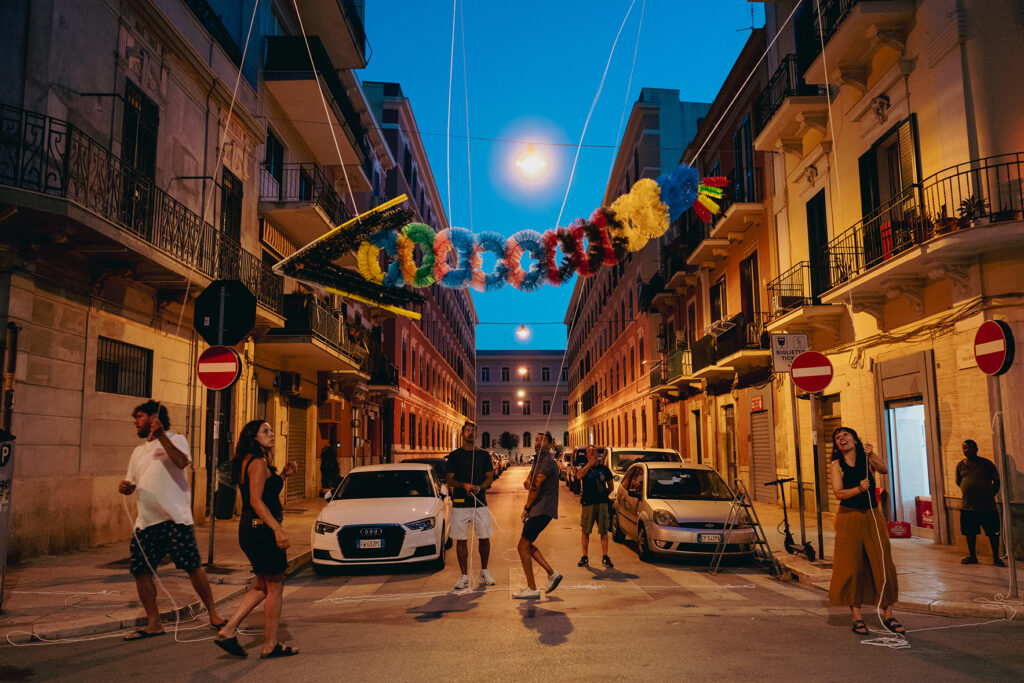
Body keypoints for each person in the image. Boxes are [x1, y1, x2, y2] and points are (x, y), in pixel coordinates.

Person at [118, 400, 225, 640]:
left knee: (192, 566)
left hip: (176, 519)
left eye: (141, 416)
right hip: (146, 522)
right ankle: (154, 622)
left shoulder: (176, 439)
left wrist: (161, 437)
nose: (136, 421)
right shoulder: (137, 452)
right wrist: (125, 487)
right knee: (141, 570)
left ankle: (214, 614)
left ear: (155, 418)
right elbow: (133, 481)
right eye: (135, 417)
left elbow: (182, 462)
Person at [214, 420, 299, 658]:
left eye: (271, 430)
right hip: (262, 531)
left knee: (263, 586)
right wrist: (277, 529)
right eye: (265, 431)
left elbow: (266, 492)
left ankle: (228, 630)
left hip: (250, 530)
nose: (271, 434)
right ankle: (270, 645)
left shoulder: (247, 461)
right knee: (275, 586)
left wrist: (282, 474)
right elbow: (256, 500)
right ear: (253, 438)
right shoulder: (259, 463)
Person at [828, 426, 903, 636]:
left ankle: (888, 613)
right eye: (837, 437)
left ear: (855, 440)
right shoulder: (836, 465)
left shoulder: (866, 458)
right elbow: (838, 493)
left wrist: (872, 453)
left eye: (845, 435)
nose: (841, 438)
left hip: (872, 516)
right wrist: (859, 489)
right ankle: (857, 617)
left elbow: (885, 469)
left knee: (882, 563)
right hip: (848, 518)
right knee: (851, 566)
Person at [445, 421, 495, 590]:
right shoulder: (454, 456)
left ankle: (485, 571)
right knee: (461, 540)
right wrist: (464, 485)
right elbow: (450, 479)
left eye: (473, 430)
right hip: (460, 504)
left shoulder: (483, 455)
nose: (471, 433)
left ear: (477, 434)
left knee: (484, 537)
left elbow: (490, 477)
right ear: (462, 433)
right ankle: (464, 576)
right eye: (468, 430)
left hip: (479, 502)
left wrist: (480, 487)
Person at [515, 432, 562, 599]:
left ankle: (532, 588)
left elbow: (534, 487)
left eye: (543, 440)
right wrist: (531, 485)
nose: (538, 441)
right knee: (526, 545)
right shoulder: (538, 460)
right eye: (536, 438)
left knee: (522, 546)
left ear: (550, 444)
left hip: (542, 509)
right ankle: (552, 574)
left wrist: (527, 507)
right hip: (538, 508)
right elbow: (527, 482)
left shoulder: (547, 462)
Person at [956, 439, 1005, 566]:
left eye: (970, 448)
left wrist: (989, 495)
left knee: (993, 533)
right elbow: (959, 481)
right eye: (965, 448)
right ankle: (973, 556)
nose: (967, 450)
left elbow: (997, 481)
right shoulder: (960, 465)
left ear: (976, 449)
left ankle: (996, 557)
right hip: (968, 507)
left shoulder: (987, 464)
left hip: (987, 507)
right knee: (970, 533)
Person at [575, 445, 614, 568]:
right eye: (589, 452)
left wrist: (603, 496)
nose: (592, 454)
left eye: (594, 452)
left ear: (598, 455)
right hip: (588, 503)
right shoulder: (584, 468)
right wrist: (588, 465)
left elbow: (611, 486)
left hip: (602, 503)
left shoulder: (605, 469)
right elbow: (578, 476)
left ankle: (605, 556)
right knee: (585, 531)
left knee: (603, 530)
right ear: (587, 456)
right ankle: (585, 556)